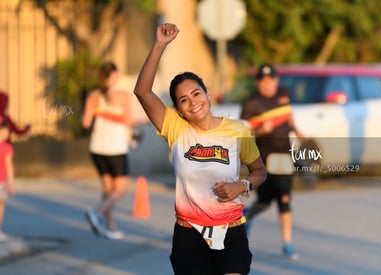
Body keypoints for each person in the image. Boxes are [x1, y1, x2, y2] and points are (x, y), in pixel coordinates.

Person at [133, 23, 267, 275]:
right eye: (184, 100)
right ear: (178, 109)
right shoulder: (175, 129)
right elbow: (142, 92)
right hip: (189, 234)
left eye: (196, 93)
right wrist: (159, 45)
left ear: (208, 93)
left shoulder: (238, 130)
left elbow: (260, 172)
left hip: (231, 230)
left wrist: (242, 186)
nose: (193, 102)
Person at [240, 63, 304, 260]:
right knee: (265, 201)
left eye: (271, 80)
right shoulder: (251, 103)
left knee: (285, 198)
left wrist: (297, 130)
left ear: (276, 80)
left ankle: (287, 243)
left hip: (284, 156)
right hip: (263, 159)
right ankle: (248, 216)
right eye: (263, 81)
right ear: (258, 83)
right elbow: (243, 132)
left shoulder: (284, 94)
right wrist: (260, 131)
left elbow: (288, 116)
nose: (268, 84)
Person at [82, 61, 136, 240]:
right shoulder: (122, 95)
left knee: (108, 189)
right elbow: (128, 121)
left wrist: (101, 113)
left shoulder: (93, 96)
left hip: (97, 147)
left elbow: (85, 123)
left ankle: (109, 226)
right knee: (120, 188)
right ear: (112, 76)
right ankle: (97, 212)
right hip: (115, 147)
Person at [0, 119, 15, 241]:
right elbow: (9, 166)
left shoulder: (7, 147)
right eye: (4, 131)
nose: (6, 134)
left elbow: (9, 167)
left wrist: (10, 184)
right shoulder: (6, 148)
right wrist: (10, 184)